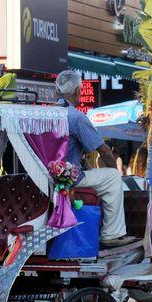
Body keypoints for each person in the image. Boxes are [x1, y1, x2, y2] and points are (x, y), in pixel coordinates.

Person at [55, 71, 138, 248]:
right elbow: (105, 151)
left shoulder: (43, 114)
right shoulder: (77, 118)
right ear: (78, 91)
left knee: (98, 174)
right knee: (112, 178)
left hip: (48, 175)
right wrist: (116, 173)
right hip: (68, 178)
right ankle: (112, 233)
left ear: (57, 91)